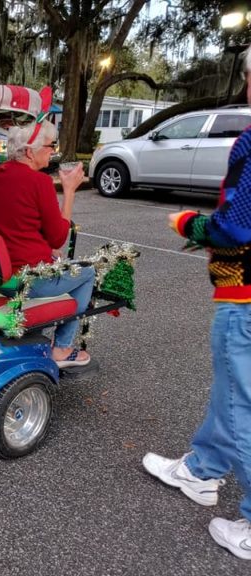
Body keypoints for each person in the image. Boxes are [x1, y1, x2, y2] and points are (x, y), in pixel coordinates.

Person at [141, 50, 251, 562]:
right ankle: (202, 471)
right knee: (233, 392)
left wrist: (190, 225)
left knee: (242, 405)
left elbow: (235, 227)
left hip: (245, 296)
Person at [0, 120, 94, 368]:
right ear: (29, 151)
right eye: (50, 146)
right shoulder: (40, 182)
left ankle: (43, 335)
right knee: (88, 272)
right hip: (27, 280)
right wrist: (69, 190)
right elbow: (58, 238)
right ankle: (63, 349)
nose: (53, 151)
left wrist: (46, 249)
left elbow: (3, 224)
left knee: (57, 257)